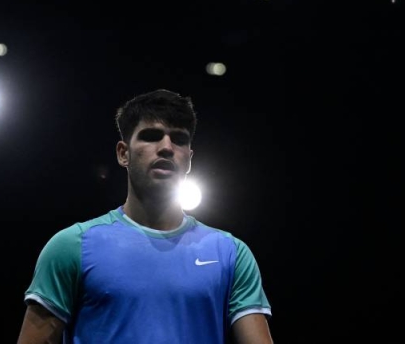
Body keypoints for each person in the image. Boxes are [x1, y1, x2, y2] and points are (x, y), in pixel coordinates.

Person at [17, 88, 274, 344]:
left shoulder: (231, 254)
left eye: (179, 139)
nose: (166, 147)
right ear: (123, 153)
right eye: (151, 136)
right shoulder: (72, 246)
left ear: (189, 159)